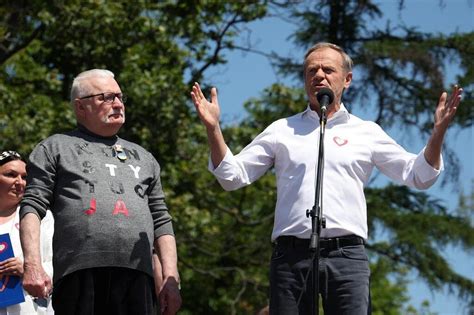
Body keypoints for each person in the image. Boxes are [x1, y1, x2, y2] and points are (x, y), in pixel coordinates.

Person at [190, 42, 462, 314]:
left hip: (347, 257)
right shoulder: (282, 130)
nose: (319, 75)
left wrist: (437, 133)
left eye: (328, 69)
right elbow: (233, 176)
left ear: (347, 79)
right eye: (311, 71)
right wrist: (213, 129)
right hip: (290, 258)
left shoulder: (366, 132)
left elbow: (418, 175)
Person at [19, 69, 182, 315]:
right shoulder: (55, 147)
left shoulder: (146, 158)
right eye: (106, 97)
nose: (117, 104)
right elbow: (32, 205)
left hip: (138, 277)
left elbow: (161, 220)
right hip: (79, 275)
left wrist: (171, 279)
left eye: (119, 97)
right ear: (80, 107)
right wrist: (32, 264)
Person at [0, 150, 54, 315]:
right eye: (11, 175)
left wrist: (27, 268)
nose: (20, 182)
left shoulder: (39, 217)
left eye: (24, 177)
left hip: (28, 309)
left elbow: (55, 264)